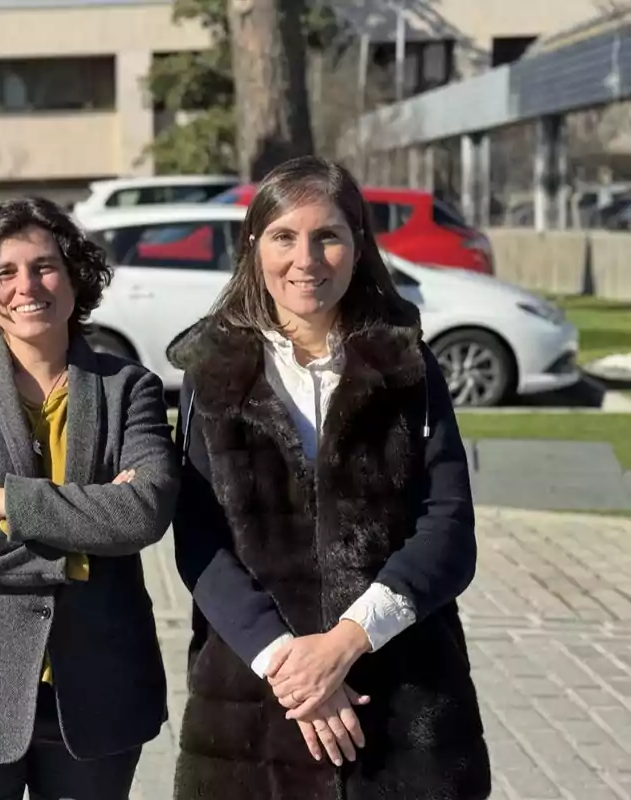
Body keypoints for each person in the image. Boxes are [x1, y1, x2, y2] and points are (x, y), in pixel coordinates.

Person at [166, 156, 491, 800]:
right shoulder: (213, 372)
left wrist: (345, 642)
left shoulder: (409, 366)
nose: (306, 259)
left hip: (402, 703)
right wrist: (292, 668)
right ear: (255, 245)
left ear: (359, 245)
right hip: (255, 710)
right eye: (285, 236)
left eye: (328, 236)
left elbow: (449, 529)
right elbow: (198, 541)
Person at [0, 197, 179, 799]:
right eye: (5, 271)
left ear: (76, 277)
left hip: (99, 695)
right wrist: (78, 545)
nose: (28, 285)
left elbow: (145, 512)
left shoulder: (130, 388)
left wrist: (4, 502)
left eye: (46, 266)